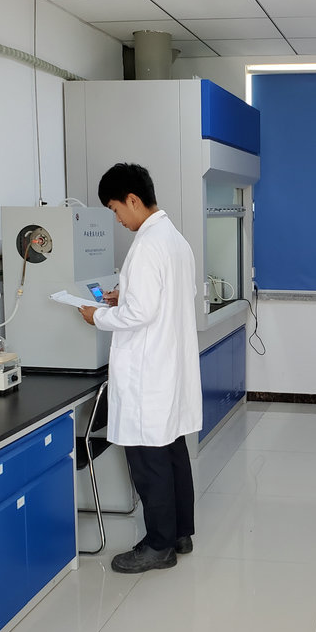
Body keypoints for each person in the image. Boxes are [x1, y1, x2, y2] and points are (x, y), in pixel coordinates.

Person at [79, 162, 203, 574]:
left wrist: (97, 315)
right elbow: (165, 298)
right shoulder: (174, 239)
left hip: (149, 375)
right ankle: (180, 532)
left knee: (150, 464)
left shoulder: (148, 244)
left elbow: (141, 314)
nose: (117, 219)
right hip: (169, 370)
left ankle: (158, 545)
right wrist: (126, 294)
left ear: (132, 200)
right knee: (172, 453)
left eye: (115, 209)